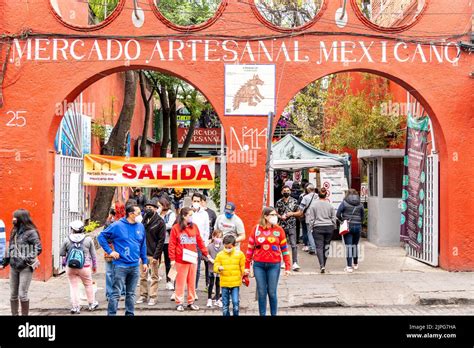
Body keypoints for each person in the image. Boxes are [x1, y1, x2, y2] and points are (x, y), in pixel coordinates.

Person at [98, 204, 148, 316]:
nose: (141, 215)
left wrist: (144, 261)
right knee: (115, 293)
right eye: (138, 213)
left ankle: (130, 314)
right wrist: (110, 252)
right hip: (120, 265)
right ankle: (111, 314)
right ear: (130, 214)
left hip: (135, 265)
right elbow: (101, 237)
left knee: (131, 293)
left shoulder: (140, 226)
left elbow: (143, 244)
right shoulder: (117, 226)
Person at [244, 207, 291, 316]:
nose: (275, 217)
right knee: (261, 292)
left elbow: (284, 250)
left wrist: (288, 267)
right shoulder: (256, 229)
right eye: (272, 215)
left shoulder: (279, 230)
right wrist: (247, 266)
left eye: (276, 215)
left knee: (272, 292)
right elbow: (250, 249)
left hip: (274, 265)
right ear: (265, 216)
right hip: (258, 265)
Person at [1, 209, 42, 316]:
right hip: (14, 266)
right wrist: (4, 263)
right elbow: (10, 247)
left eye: (15, 217)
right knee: (13, 295)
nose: (13, 219)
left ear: (21, 219)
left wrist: (28, 258)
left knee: (22, 294)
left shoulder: (31, 232)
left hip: (26, 267)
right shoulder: (14, 230)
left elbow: (38, 248)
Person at [168, 207, 209, 312]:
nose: (191, 217)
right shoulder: (175, 228)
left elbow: (199, 240)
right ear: (183, 216)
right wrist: (172, 259)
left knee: (192, 281)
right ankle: (179, 302)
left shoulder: (194, 227)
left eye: (192, 215)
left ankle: (191, 302)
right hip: (180, 259)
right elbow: (172, 244)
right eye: (190, 215)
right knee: (180, 282)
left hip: (192, 258)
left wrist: (206, 253)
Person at [60, 220, 99, 314]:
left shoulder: (67, 239)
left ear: (72, 229)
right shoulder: (88, 239)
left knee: (73, 286)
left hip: (71, 267)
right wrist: (94, 265)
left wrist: (64, 265)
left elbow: (62, 254)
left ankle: (75, 307)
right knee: (88, 284)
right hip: (85, 267)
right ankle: (91, 304)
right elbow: (93, 254)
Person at [137, 200, 166, 306]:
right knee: (142, 276)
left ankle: (153, 296)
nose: (148, 209)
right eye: (147, 207)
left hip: (153, 253)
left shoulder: (160, 222)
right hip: (143, 254)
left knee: (154, 277)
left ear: (155, 208)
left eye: (151, 207)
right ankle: (143, 295)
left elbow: (161, 241)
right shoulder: (143, 221)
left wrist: (156, 256)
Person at [214, 234, 245, 316]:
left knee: (235, 303)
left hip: (235, 283)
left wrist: (245, 273)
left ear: (234, 246)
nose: (227, 249)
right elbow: (215, 266)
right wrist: (218, 268)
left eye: (229, 247)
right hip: (224, 283)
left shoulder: (240, 254)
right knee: (225, 305)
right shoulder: (220, 255)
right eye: (226, 247)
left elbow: (243, 266)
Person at [309, 188, 337, 273]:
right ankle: (323, 264)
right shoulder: (330, 205)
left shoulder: (313, 205)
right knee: (326, 246)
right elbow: (333, 218)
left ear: (318, 195)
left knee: (319, 247)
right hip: (329, 227)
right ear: (326, 195)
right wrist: (334, 226)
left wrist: (311, 228)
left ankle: (322, 265)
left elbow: (311, 219)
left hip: (318, 227)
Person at [337, 189, 365, 273]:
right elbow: (362, 216)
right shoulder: (360, 204)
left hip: (348, 226)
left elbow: (338, 214)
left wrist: (343, 220)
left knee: (349, 246)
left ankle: (349, 266)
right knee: (355, 245)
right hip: (358, 226)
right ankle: (355, 264)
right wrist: (360, 222)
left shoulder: (344, 202)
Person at [276, 186, 300, 271]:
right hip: (282, 226)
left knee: (293, 245)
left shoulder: (294, 201)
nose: (286, 192)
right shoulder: (279, 202)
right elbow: (276, 212)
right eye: (285, 191)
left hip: (292, 226)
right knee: (282, 245)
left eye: (288, 191)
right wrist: (280, 216)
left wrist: (292, 213)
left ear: (290, 191)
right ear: (282, 192)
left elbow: (300, 212)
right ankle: (284, 261)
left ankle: (295, 262)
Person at [191, 193, 210, 292]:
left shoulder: (205, 214)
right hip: (188, 243)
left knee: (197, 267)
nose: (196, 203)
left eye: (198, 201)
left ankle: (194, 288)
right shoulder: (188, 212)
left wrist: (205, 244)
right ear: (191, 201)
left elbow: (207, 230)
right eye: (194, 201)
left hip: (199, 243)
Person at [158, 197, 177, 291]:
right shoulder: (157, 213)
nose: (158, 207)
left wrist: (159, 225)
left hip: (168, 240)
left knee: (168, 262)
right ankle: (154, 276)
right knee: (155, 260)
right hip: (157, 241)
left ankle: (169, 281)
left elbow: (170, 225)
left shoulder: (171, 214)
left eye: (159, 205)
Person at [294, 184, 317, 255]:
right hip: (317, 216)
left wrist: (296, 213)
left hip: (309, 216)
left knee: (309, 232)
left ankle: (312, 248)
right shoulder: (318, 196)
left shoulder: (305, 197)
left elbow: (301, 208)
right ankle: (315, 247)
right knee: (315, 232)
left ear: (308, 190)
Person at [206, 229, 223, 308]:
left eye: (220, 237)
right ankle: (209, 298)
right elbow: (205, 255)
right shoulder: (209, 246)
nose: (218, 239)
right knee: (211, 284)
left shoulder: (222, 247)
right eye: (216, 237)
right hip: (211, 269)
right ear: (213, 237)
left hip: (219, 269)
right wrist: (209, 259)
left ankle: (217, 299)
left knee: (218, 284)